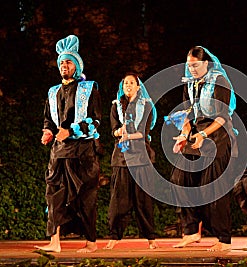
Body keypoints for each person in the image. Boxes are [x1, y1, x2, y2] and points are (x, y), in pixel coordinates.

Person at [36, 35, 101, 253]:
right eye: (62, 62)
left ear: (77, 65)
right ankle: (55, 242)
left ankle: (91, 242)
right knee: (53, 194)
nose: (64, 65)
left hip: (82, 152)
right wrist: (48, 132)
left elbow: (95, 121)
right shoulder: (52, 91)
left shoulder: (89, 88)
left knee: (86, 197)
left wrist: (70, 131)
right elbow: (48, 119)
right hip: (59, 152)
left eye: (69, 62)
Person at [170, 46, 238, 251]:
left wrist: (203, 134)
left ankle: (223, 239)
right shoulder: (189, 83)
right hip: (195, 136)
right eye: (189, 65)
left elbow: (223, 116)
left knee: (215, 188)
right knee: (179, 180)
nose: (191, 68)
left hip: (216, 136)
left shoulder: (219, 81)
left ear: (206, 63)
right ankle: (191, 231)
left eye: (195, 65)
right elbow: (186, 113)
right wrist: (184, 135)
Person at [105, 73, 158, 250]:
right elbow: (113, 130)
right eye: (125, 82)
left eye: (131, 82)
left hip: (141, 157)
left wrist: (129, 134)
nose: (128, 85)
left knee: (143, 200)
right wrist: (119, 133)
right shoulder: (116, 106)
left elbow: (144, 131)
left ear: (138, 86)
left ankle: (151, 238)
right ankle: (114, 236)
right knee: (118, 199)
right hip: (122, 157)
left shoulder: (146, 105)